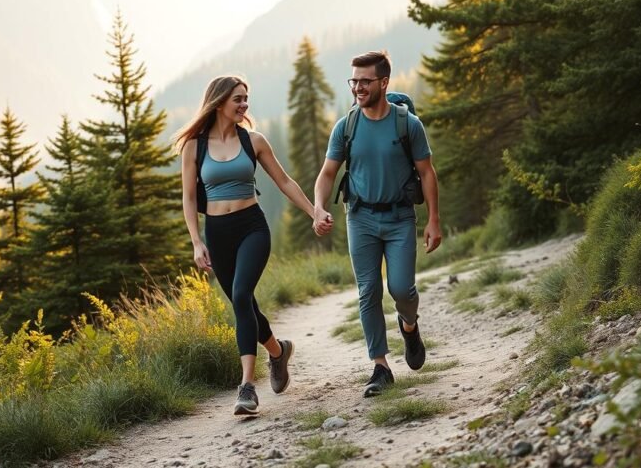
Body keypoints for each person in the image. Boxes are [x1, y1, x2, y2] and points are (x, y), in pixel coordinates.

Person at [176, 75, 329, 415]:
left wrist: (314, 212)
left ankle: (246, 386)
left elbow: (284, 181)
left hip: (252, 228)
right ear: (219, 102)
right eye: (238, 99)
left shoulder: (254, 141)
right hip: (217, 233)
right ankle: (278, 352)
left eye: (246, 98)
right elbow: (188, 198)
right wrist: (197, 241)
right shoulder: (194, 147)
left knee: (242, 295)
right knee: (243, 303)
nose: (244, 104)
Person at [313, 50, 442, 397]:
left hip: (400, 218)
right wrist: (318, 207)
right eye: (353, 81)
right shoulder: (346, 127)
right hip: (360, 218)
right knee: (368, 291)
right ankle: (381, 367)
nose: (358, 87)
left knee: (401, 289)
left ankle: (409, 326)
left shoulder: (407, 125)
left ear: (384, 82)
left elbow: (427, 173)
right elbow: (327, 173)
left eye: (365, 81)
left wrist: (433, 220)